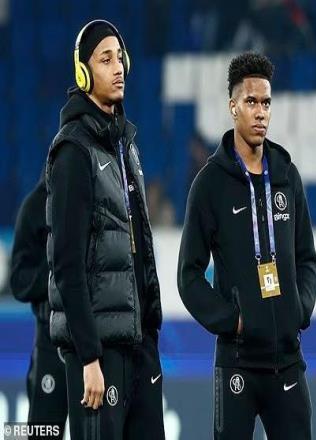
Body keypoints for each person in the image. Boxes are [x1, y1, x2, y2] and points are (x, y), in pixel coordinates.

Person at [177, 52, 316, 440]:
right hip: (237, 363)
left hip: (287, 360)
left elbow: (306, 258)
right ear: (232, 106)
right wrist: (233, 321)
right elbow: (188, 277)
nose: (260, 112)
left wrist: (299, 308)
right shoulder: (210, 184)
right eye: (251, 101)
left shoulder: (287, 176)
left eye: (266, 103)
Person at [45, 19, 164, 439]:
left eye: (120, 59)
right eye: (105, 59)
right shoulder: (73, 151)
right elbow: (67, 265)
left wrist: (150, 333)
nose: (117, 69)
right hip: (99, 356)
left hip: (138, 346)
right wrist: (88, 357)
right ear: (83, 73)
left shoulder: (126, 146)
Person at [10, 172, 67, 438]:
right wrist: (54, 272)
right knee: (44, 431)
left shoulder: (92, 203)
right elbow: (18, 281)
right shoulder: (34, 207)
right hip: (49, 340)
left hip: (92, 340)